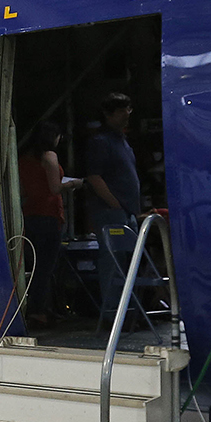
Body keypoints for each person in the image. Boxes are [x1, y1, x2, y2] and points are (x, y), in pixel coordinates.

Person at [17, 122, 82, 330]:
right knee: (46, 267)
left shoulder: (23, 158)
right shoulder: (49, 156)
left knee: (35, 266)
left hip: (29, 215)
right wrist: (73, 184)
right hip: (48, 214)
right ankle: (39, 311)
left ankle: (37, 309)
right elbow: (54, 188)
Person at [84, 92, 142, 318]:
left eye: (128, 109)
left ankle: (128, 313)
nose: (127, 114)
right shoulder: (100, 142)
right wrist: (115, 204)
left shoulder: (122, 141)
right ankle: (112, 315)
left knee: (127, 263)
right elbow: (94, 177)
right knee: (113, 264)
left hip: (126, 212)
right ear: (108, 114)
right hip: (112, 213)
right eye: (121, 110)